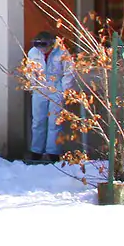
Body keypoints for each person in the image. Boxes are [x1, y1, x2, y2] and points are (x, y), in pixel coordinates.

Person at [25, 30, 75, 162]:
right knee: (38, 121)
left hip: (56, 88)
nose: (42, 48)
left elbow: (69, 72)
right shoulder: (32, 53)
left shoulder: (62, 52)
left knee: (55, 122)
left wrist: (63, 90)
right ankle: (36, 151)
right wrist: (34, 85)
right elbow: (29, 71)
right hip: (40, 89)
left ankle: (53, 152)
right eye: (39, 45)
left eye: (44, 45)